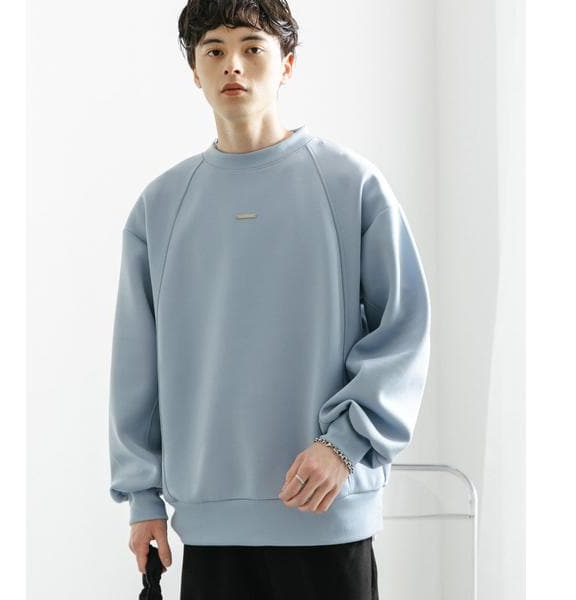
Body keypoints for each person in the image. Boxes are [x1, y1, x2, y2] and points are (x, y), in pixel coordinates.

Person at [108, 1, 431, 598]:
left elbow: (403, 328)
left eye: (252, 47)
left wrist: (344, 445)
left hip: (327, 511)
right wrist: (142, 497)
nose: (233, 64)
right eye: (214, 50)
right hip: (211, 526)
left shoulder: (350, 184)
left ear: (287, 64)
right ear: (195, 70)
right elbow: (136, 364)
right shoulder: (160, 206)